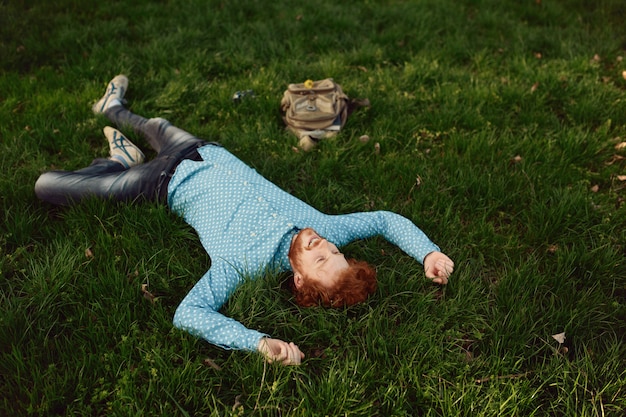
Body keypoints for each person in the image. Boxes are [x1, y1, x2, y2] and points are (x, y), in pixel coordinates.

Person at [35, 75, 455, 366]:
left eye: (323, 261)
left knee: (48, 185)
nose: (324, 246)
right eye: (335, 251)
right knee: (156, 124)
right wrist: (428, 252)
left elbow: (189, 313)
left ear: (299, 281)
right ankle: (114, 109)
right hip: (203, 149)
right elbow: (383, 220)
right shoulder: (326, 229)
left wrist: (255, 342)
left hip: (159, 182)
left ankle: (116, 165)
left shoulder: (242, 267)